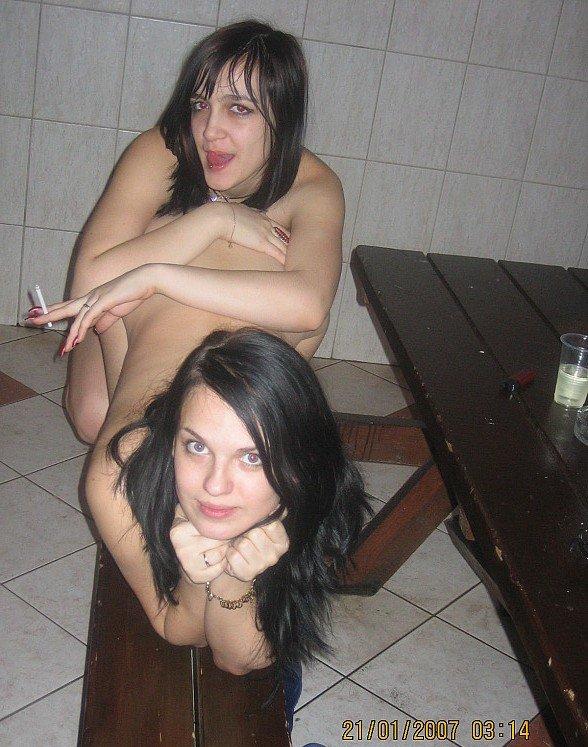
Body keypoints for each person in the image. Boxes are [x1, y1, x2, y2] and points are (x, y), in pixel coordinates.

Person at [25, 19, 346, 733]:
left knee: (288, 328)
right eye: (201, 103)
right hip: (135, 338)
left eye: (239, 108)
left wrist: (232, 577)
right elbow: (92, 285)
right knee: (97, 385)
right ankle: (105, 387)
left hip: (182, 352)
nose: (210, 129)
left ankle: (126, 377)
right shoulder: (163, 150)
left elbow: (307, 304)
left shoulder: (312, 183)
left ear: (283, 120)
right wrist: (212, 225)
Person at [108, 328, 370, 732]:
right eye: (196, 447)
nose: (215, 486)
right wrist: (196, 576)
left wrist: (234, 579)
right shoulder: (119, 482)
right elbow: (180, 631)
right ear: (172, 441)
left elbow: (239, 660)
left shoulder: (316, 493)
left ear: (299, 464)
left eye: (252, 457)